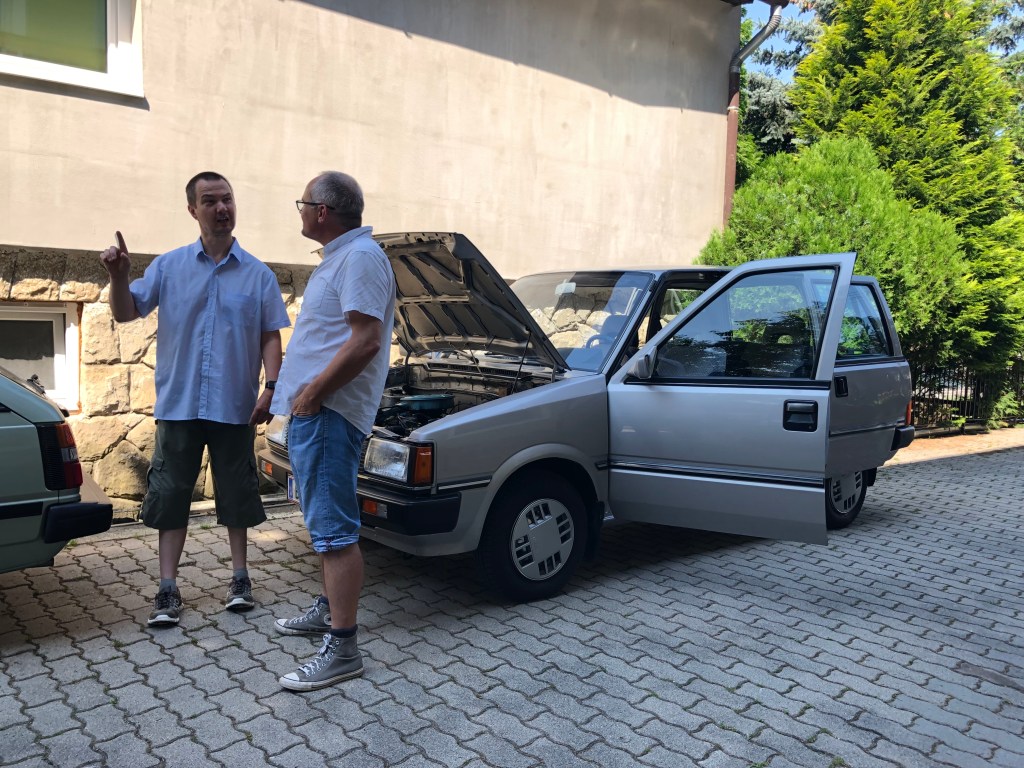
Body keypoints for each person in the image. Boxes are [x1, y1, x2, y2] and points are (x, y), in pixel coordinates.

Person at [100, 171, 290, 627]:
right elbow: (126, 312)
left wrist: (271, 388)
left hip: (235, 405)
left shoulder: (259, 275)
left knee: (237, 493)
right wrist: (118, 277)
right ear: (193, 210)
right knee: (170, 495)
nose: (221, 208)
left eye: (227, 199)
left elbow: (270, 336)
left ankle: (240, 578)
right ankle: (167, 587)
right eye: (210, 201)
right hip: (179, 404)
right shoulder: (168, 267)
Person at [271, 171, 396, 691]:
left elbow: (365, 341)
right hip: (316, 415)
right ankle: (329, 609)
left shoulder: (360, 257)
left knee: (335, 533)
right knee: (325, 527)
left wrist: (313, 394)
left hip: (328, 414)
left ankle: (343, 649)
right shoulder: (343, 257)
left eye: (302, 203)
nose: (300, 211)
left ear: (322, 210)